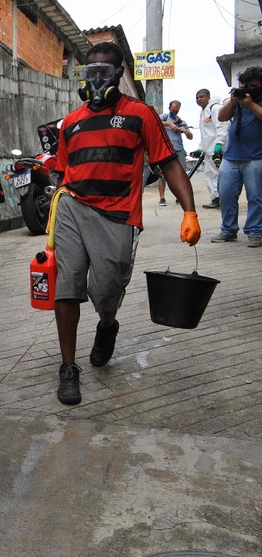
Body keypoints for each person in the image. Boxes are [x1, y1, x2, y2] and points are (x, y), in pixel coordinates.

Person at [52, 41, 201, 406]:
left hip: (117, 216)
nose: (97, 78)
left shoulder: (140, 114)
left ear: (119, 73)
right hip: (71, 207)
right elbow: (61, 172)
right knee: (67, 284)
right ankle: (68, 368)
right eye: (91, 72)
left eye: (104, 71)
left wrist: (190, 210)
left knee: (106, 292)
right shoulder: (70, 123)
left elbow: (167, 162)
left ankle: (107, 326)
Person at [210, 67, 262, 247]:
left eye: (254, 86)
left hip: (255, 157)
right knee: (226, 194)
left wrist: (251, 105)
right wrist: (233, 101)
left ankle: (255, 232)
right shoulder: (239, 100)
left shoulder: (255, 102)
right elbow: (222, 117)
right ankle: (228, 230)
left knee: (255, 197)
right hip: (232, 156)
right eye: (247, 85)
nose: (250, 89)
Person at [193, 88, 229, 209]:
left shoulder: (215, 108)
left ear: (208, 97)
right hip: (208, 151)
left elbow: (222, 127)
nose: (199, 99)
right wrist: (199, 148)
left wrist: (219, 144)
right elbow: (205, 133)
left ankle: (223, 199)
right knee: (209, 175)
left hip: (217, 150)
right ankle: (215, 198)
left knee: (218, 175)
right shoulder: (203, 112)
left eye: (202, 97)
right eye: (197, 97)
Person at [157, 100, 193, 206]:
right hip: (167, 149)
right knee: (163, 174)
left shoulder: (181, 121)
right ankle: (162, 198)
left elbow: (190, 136)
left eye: (176, 110)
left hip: (179, 149)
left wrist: (185, 131)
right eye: (173, 110)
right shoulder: (164, 117)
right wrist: (169, 124)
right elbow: (155, 122)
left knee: (181, 175)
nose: (174, 112)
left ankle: (179, 196)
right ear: (169, 108)